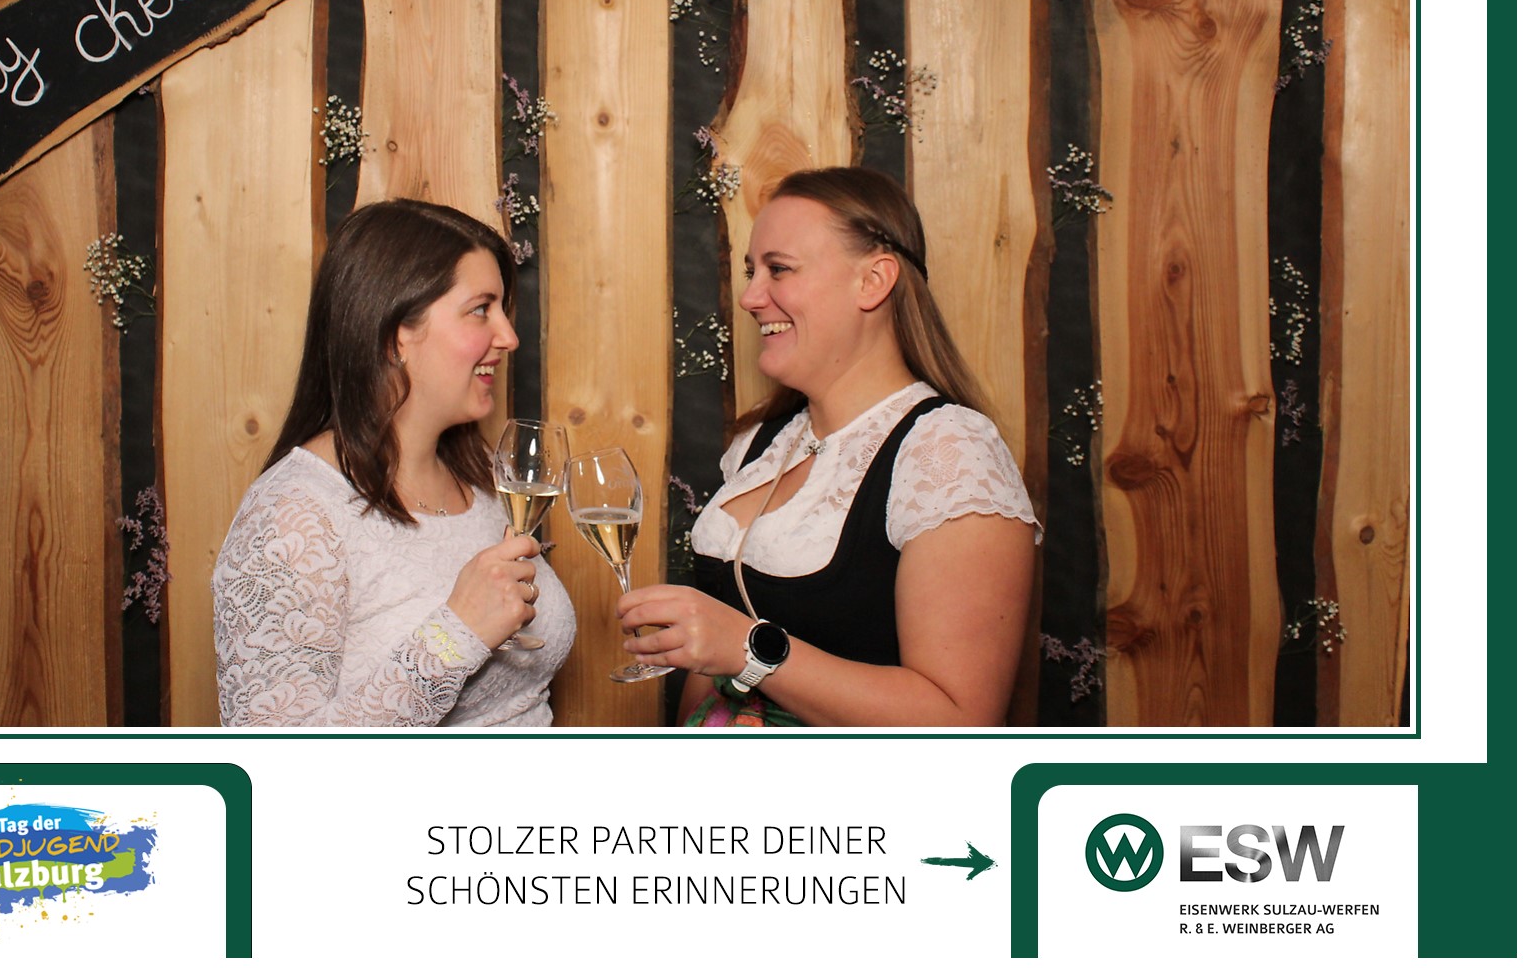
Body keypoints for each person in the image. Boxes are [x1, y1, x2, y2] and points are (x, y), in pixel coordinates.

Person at [618, 168, 1037, 726]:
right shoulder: (760, 443)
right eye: (751, 271)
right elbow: (711, 664)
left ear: (873, 281)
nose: (750, 297)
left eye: (779, 269)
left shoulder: (947, 451)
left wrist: (748, 650)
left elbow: (960, 722)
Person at [212, 199, 574, 726]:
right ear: (394, 333)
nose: (509, 337)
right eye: (481, 309)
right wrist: (456, 635)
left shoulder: (485, 478)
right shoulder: (293, 518)